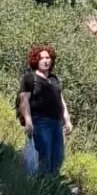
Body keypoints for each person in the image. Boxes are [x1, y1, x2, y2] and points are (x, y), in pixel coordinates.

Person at [17, 45, 72, 176]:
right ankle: (41, 187)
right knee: (44, 158)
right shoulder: (30, 78)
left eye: (48, 58)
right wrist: (28, 121)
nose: (45, 61)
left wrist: (67, 119)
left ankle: (51, 187)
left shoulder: (54, 79)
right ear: (36, 60)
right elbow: (24, 100)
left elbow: (61, 99)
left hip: (56, 123)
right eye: (41, 58)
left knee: (58, 157)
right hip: (40, 122)